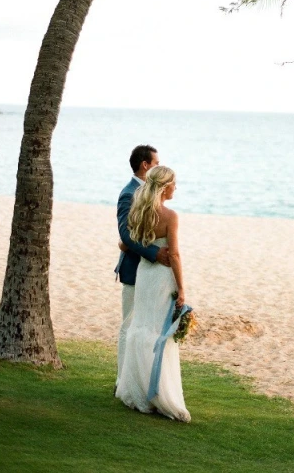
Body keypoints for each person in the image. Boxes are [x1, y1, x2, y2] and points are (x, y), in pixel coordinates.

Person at [115, 165, 191, 422]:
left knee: (141, 328)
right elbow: (176, 255)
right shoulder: (170, 216)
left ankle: (136, 392)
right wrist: (182, 288)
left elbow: (125, 243)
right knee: (160, 335)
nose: (176, 188)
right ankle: (161, 395)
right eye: (173, 183)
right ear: (164, 186)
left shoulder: (139, 211)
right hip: (161, 278)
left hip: (144, 275)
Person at [115, 145, 170, 386]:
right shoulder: (129, 193)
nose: (158, 166)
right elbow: (126, 236)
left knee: (147, 326)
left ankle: (140, 378)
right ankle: (121, 380)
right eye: (156, 163)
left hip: (152, 273)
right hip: (134, 269)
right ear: (146, 165)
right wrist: (155, 253)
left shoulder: (151, 193)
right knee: (129, 325)